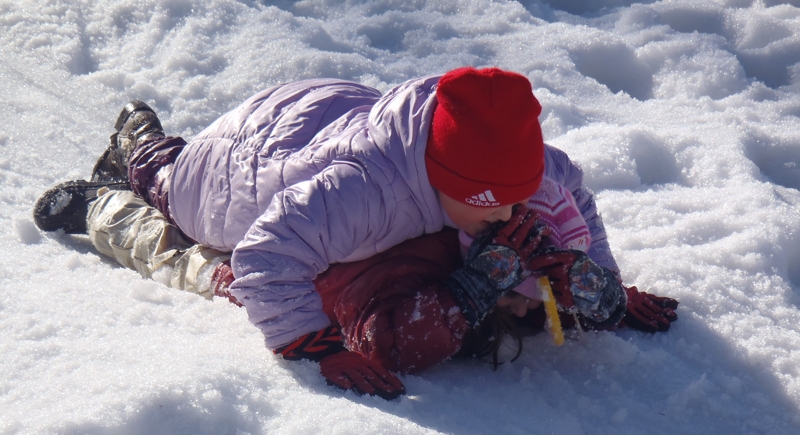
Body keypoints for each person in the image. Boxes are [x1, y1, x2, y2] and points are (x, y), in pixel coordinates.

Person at [34, 67, 677, 398]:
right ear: (443, 179)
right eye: (491, 210)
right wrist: (311, 346)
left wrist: (606, 285)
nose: (510, 221)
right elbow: (265, 254)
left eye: (518, 203)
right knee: (175, 191)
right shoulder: (364, 194)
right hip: (241, 172)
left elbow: (576, 199)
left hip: (324, 111)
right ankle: (140, 145)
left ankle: (149, 151)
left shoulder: (506, 168)